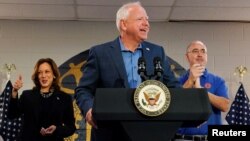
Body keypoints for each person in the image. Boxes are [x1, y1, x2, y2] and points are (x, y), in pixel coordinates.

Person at [74, 1, 181, 141]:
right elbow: (83, 90)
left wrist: (188, 111)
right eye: (140, 19)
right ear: (124, 24)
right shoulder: (100, 53)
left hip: (150, 131)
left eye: (147, 19)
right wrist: (89, 110)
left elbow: (173, 87)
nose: (147, 23)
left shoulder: (157, 52)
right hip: (110, 132)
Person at [173, 40, 230, 141]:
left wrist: (201, 91)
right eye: (195, 51)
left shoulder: (217, 81)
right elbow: (173, 105)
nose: (200, 54)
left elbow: (225, 106)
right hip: (182, 139)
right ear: (187, 56)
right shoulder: (177, 81)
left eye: (203, 51)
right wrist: (190, 81)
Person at [8, 58, 76, 141]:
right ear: (37, 76)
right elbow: (11, 114)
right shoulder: (27, 96)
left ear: (54, 74)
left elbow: (71, 127)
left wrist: (57, 129)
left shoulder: (64, 98)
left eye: (47, 71)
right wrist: (14, 92)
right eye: (40, 72)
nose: (43, 75)